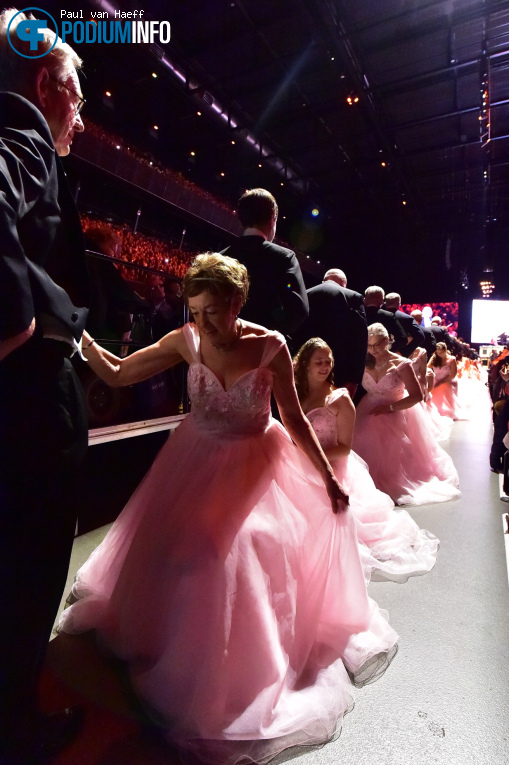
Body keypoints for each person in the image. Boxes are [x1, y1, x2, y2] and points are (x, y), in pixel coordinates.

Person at [59, 253, 398, 764]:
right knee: (177, 550)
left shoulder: (270, 346)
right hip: (193, 456)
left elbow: (294, 419)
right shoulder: (187, 338)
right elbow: (122, 372)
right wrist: (76, 338)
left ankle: (228, 671)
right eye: (194, 311)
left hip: (255, 463)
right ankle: (174, 646)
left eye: (213, 310)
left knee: (226, 556)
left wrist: (328, 477)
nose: (203, 323)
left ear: (238, 302)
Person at [0, 9, 89, 762]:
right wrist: (16, 324)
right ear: (44, 84)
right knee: (28, 570)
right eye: (79, 100)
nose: (81, 122)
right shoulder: (22, 129)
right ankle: (16, 727)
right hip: (28, 402)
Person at [294, 338, 439, 583]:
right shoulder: (296, 395)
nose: (325, 366)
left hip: (331, 467)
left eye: (328, 361)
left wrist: (308, 454)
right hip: (299, 465)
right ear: (304, 365)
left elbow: (344, 448)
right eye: (318, 362)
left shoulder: (339, 400)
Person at [352, 324, 460, 506]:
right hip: (367, 409)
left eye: (376, 345)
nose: (372, 350)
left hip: (396, 411)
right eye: (369, 345)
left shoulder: (401, 364)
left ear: (387, 341)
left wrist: (391, 408)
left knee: (394, 454)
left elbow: (417, 396)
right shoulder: (365, 360)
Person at [221, 188, 308, 346]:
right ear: (273, 218)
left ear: (241, 220)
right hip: (262, 353)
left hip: (223, 348)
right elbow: (299, 309)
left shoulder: (219, 258)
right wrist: (268, 337)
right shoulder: (284, 257)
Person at [293, 268, 367, 397]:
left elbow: (294, 329)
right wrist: (354, 378)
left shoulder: (305, 295)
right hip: (339, 369)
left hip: (305, 365)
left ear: (324, 280)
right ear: (344, 283)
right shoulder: (353, 297)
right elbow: (360, 340)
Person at [428, 342, 467, 420]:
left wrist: (441, 382)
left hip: (448, 380)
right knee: (434, 393)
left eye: (441, 353)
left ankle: (450, 411)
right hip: (436, 380)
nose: (439, 354)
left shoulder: (451, 359)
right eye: (438, 352)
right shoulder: (434, 358)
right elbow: (427, 368)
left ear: (445, 350)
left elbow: (452, 375)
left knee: (444, 388)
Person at [363, 286, 407, 355]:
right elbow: (403, 339)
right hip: (382, 358)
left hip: (361, 358)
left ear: (365, 299)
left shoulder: (356, 315)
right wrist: (387, 351)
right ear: (381, 300)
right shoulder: (388, 316)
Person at [384, 293, 424, 357]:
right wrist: (404, 352)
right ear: (399, 304)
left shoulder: (377, 316)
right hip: (397, 356)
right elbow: (420, 336)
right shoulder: (406, 318)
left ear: (385, 303)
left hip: (377, 355)